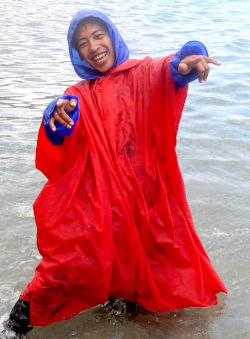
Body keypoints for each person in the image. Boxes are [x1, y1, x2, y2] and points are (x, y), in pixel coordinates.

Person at [5, 9, 227, 336]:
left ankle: (132, 314)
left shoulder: (143, 73)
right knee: (67, 265)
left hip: (150, 203)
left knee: (164, 284)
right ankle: (15, 324)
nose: (93, 46)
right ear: (76, 52)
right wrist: (55, 116)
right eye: (83, 43)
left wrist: (192, 55)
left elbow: (174, 68)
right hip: (103, 209)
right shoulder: (77, 95)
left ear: (112, 36)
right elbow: (59, 147)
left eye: (98, 35)